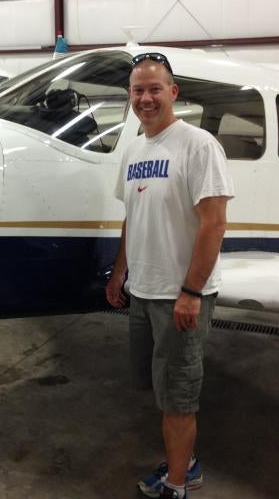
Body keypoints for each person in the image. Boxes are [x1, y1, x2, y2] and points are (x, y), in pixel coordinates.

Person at [106, 52, 234, 499]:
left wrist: (191, 292)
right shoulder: (134, 150)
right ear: (130, 96)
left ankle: (178, 484)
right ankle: (187, 463)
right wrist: (119, 272)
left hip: (180, 296)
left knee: (179, 397)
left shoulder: (198, 145)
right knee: (159, 388)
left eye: (154, 88)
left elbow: (214, 223)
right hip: (143, 291)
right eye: (138, 90)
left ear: (173, 92)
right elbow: (132, 217)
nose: (146, 98)